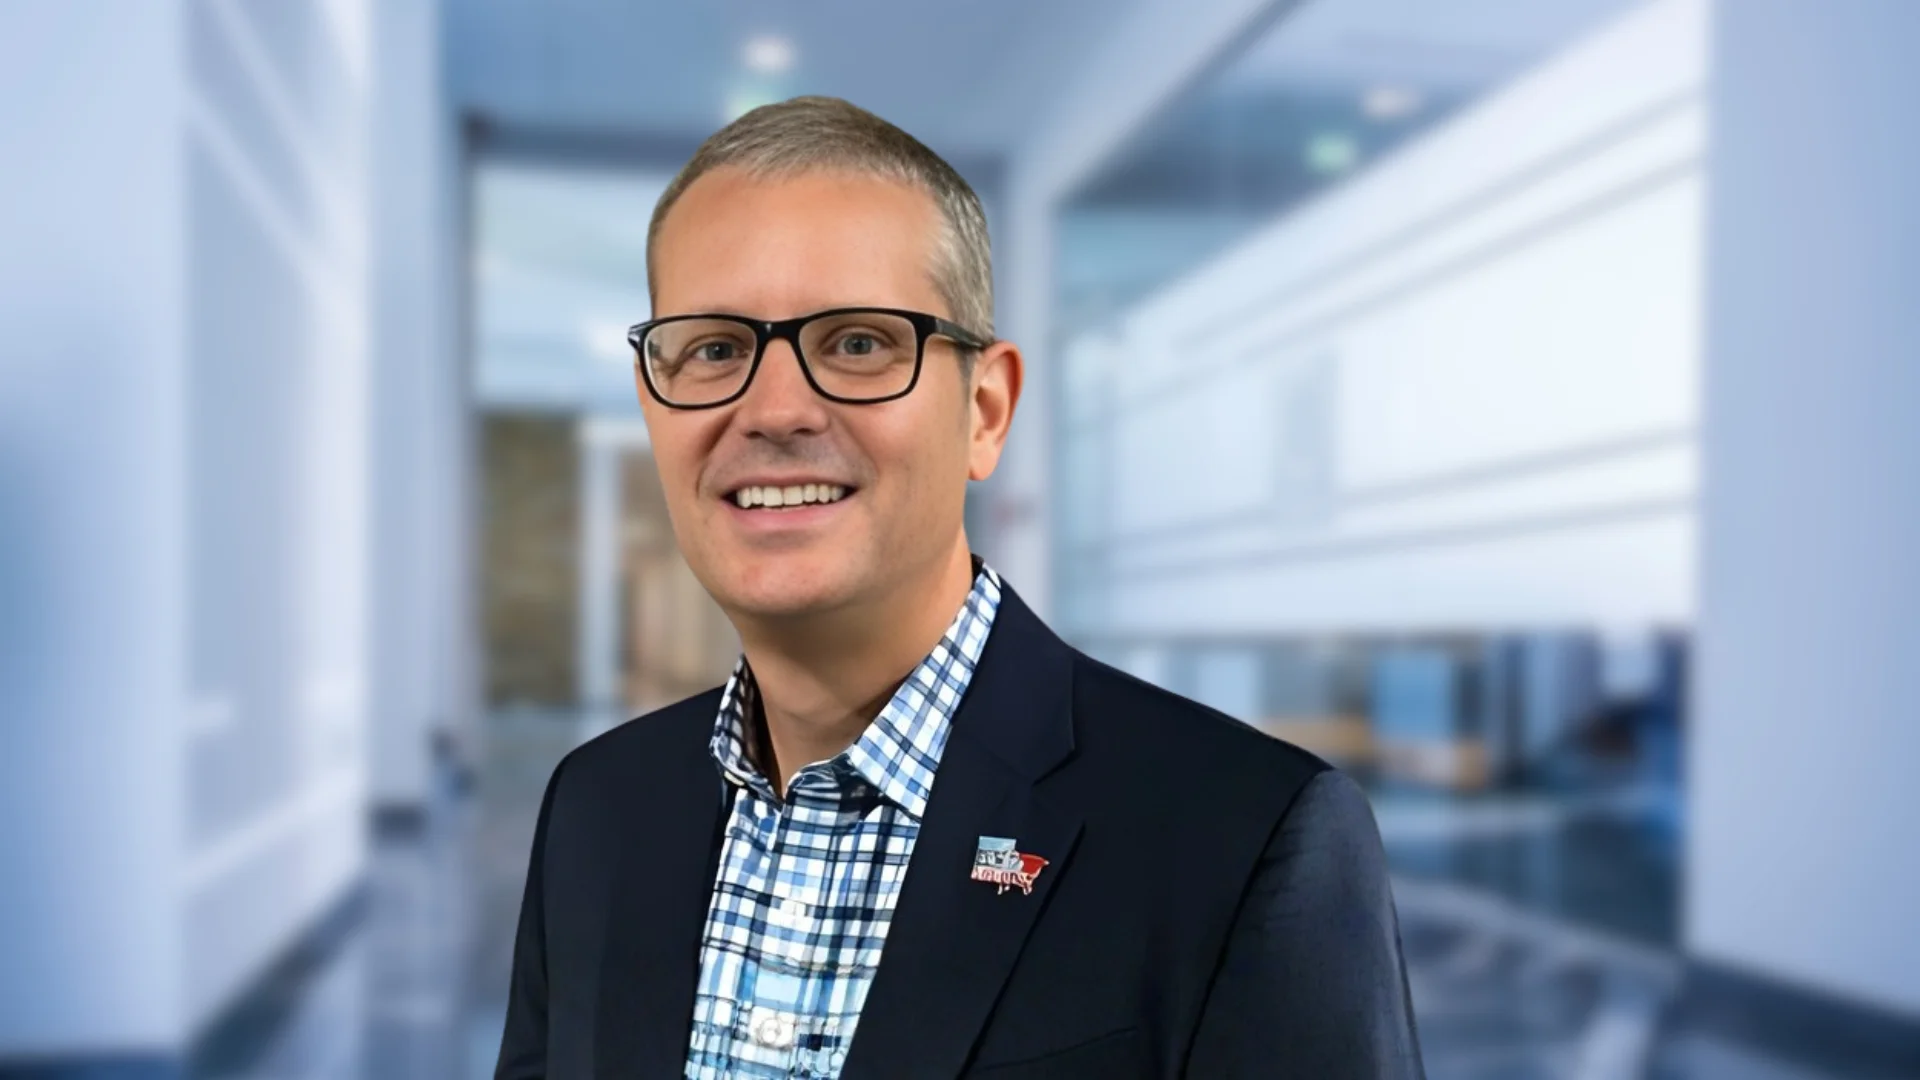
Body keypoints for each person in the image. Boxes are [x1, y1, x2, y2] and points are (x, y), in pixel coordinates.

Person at [494, 95, 1424, 1080]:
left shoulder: (1246, 841)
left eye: (857, 343)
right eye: (715, 349)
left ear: (985, 411)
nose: (773, 410)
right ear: (654, 403)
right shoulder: (597, 808)